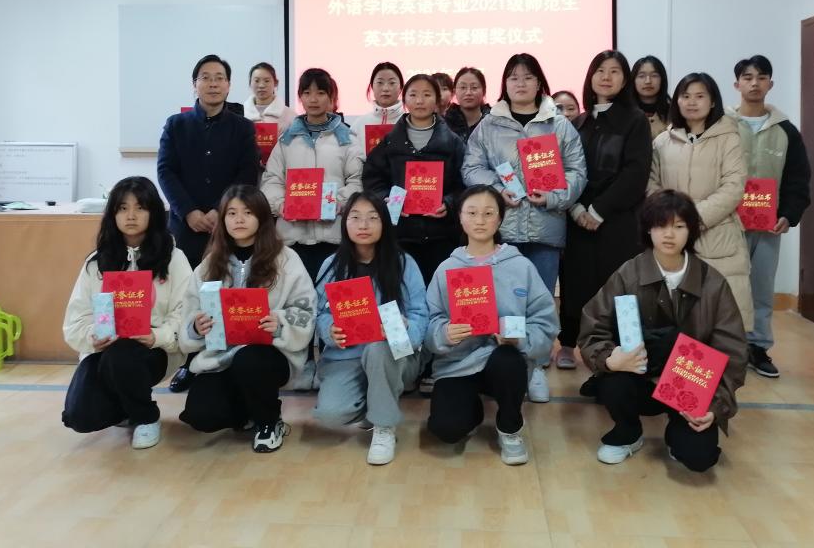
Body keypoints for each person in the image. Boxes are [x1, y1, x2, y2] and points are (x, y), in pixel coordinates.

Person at [577, 189, 747, 472]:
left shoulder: (713, 283)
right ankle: (628, 431)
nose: (669, 234)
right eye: (660, 225)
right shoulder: (628, 274)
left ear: (691, 231)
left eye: (679, 226)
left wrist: (715, 406)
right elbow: (593, 327)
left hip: (690, 386)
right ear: (648, 229)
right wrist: (609, 358)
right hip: (638, 378)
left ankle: (676, 434)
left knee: (699, 458)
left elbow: (733, 351)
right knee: (613, 382)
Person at [462, 53, 587, 402]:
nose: (521, 83)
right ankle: (499, 367)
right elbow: (471, 167)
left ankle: (535, 368)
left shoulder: (559, 125)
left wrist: (553, 196)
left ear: (539, 82)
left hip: (546, 229)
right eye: (514, 77)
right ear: (505, 83)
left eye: (528, 77)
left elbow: (578, 172)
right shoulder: (489, 125)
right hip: (500, 230)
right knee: (501, 301)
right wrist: (497, 191)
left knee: (540, 303)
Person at [425, 185, 559, 465]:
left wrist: (520, 338)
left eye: (488, 213)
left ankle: (510, 427)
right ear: (460, 218)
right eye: (472, 213)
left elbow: (545, 321)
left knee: (508, 361)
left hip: (504, 360)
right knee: (446, 430)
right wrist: (444, 333)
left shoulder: (521, 266)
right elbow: (430, 321)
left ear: (499, 219)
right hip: (458, 363)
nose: (480, 220)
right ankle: (472, 410)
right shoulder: (446, 269)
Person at [178, 186, 316, 452]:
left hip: (270, 354)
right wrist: (195, 327)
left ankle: (269, 421)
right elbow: (189, 311)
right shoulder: (210, 264)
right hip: (221, 355)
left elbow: (305, 309)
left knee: (250, 360)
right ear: (222, 219)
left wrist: (280, 323)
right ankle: (249, 410)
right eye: (231, 213)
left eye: (248, 212)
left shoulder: (286, 260)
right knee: (201, 415)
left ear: (262, 217)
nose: (239, 219)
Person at [62, 177, 191, 449]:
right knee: (78, 417)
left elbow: (185, 311)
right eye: (122, 208)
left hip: (154, 350)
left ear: (153, 212)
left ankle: (146, 417)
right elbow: (76, 319)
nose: (131, 215)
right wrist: (93, 336)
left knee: (122, 355)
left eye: (140, 207)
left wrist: (157, 336)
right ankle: (127, 405)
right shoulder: (96, 262)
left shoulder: (173, 258)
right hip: (103, 350)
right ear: (112, 214)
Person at [158, 54, 260, 392]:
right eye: (206, 77)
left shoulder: (243, 128)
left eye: (219, 78)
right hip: (185, 227)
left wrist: (220, 211)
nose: (213, 84)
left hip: (228, 226)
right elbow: (165, 171)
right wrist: (188, 211)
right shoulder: (176, 125)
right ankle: (188, 364)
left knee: (227, 290)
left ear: (229, 86)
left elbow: (247, 172)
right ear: (195, 84)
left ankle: (226, 358)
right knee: (189, 296)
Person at [313, 192, 428, 465]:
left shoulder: (404, 263)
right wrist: (329, 330)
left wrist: (405, 329)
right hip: (347, 356)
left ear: (384, 223)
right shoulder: (331, 265)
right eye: (355, 218)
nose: (363, 225)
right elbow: (319, 313)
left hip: (395, 355)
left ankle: (384, 427)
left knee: (379, 348)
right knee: (330, 414)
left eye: (372, 218)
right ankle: (379, 401)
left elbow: (421, 314)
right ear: (345, 223)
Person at [559, 51, 652, 383]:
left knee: (620, 287)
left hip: (618, 221)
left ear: (625, 80)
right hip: (578, 219)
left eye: (615, 71)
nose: (607, 77)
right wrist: (575, 207)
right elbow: (568, 169)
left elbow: (635, 173)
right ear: (590, 76)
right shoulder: (578, 122)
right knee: (576, 282)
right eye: (600, 70)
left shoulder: (635, 121)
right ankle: (568, 343)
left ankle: (626, 349)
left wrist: (599, 210)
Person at [728, 55, 811, 378]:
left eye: (761, 77)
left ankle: (757, 346)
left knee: (761, 287)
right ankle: (725, 344)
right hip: (726, 223)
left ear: (770, 84)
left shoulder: (786, 131)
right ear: (736, 84)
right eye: (747, 77)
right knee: (724, 285)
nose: (754, 83)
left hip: (767, 226)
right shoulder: (722, 125)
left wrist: (789, 215)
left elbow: (798, 178)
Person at [648, 72, 751, 328]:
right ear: (677, 101)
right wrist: (671, 219)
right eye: (685, 96)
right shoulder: (662, 142)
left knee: (720, 320)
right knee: (675, 320)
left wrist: (692, 219)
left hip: (718, 238)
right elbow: (652, 184)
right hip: (671, 237)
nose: (692, 102)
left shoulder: (729, 137)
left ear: (713, 101)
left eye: (700, 96)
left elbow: (733, 186)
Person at [362, 73, 466, 286]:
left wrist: (448, 203)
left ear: (437, 101)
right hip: (400, 236)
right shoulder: (390, 142)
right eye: (413, 94)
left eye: (427, 94)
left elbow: (464, 184)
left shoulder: (453, 142)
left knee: (441, 292)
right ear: (405, 99)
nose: (420, 101)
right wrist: (387, 200)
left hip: (442, 237)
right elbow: (372, 179)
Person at [261, 68, 362, 284]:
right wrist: (280, 205)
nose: (313, 99)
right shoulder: (286, 140)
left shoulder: (347, 139)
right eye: (307, 93)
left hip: (334, 236)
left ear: (331, 97)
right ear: (300, 97)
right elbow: (272, 180)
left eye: (320, 93)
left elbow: (357, 180)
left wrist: (337, 202)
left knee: (334, 296)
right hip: (291, 239)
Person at [350, 62, 406, 144]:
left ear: (401, 87)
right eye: (380, 83)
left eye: (392, 83)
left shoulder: (410, 122)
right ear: (372, 86)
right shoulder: (359, 125)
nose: (385, 88)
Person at [244, 61, 297, 133]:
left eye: (267, 81)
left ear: (276, 83)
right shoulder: (241, 114)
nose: (261, 85)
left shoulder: (290, 116)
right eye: (256, 81)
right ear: (250, 83)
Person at [444, 67, 491, 141]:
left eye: (474, 87)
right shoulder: (445, 123)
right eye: (463, 87)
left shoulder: (494, 121)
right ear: (455, 91)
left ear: (484, 91)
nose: (468, 93)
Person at [631, 56, 671, 139]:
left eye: (654, 75)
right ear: (633, 80)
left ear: (662, 79)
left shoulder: (673, 113)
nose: (648, 81)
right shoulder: (624, 112)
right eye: (641, 76)